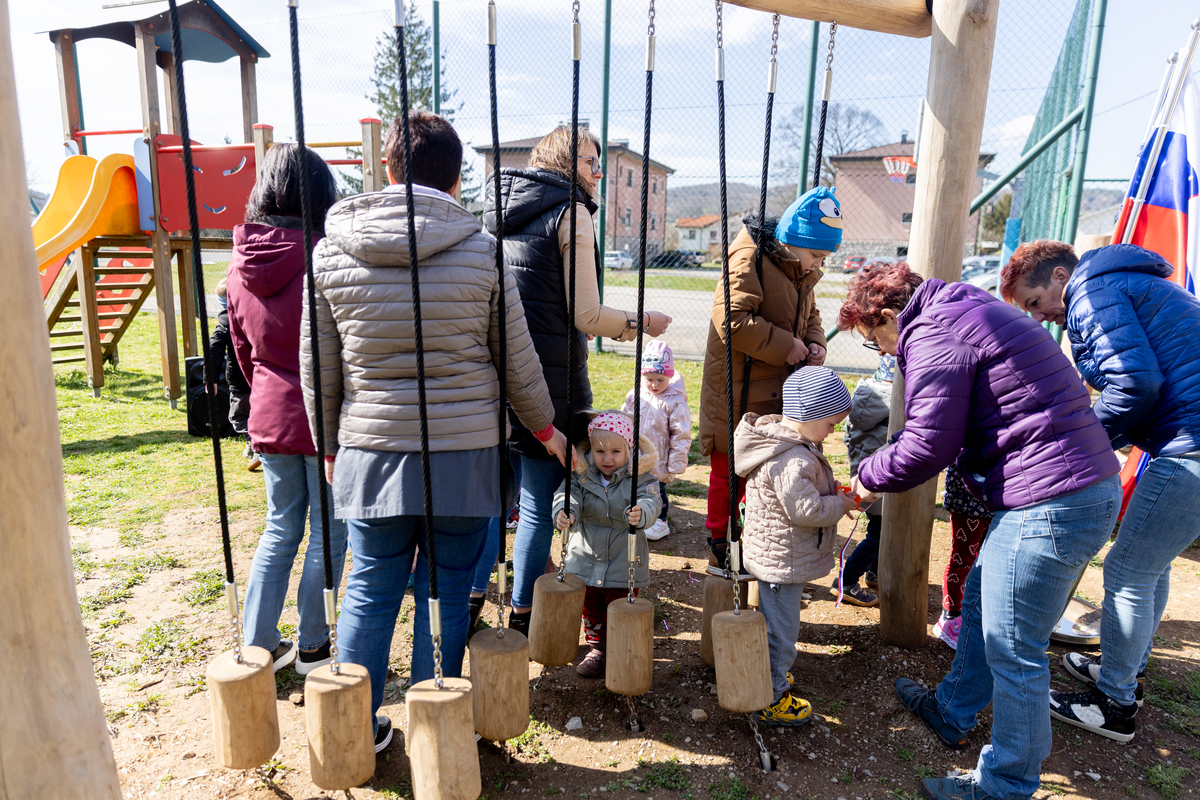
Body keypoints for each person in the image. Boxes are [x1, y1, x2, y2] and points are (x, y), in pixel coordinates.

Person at [301, 111, 569, 753]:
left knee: (370, 585)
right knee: (446, 588)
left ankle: (356, 730)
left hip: (370, 449)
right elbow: (517, 360)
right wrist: (546, 429)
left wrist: (329, 447)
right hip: (464, 453)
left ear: (387, 167)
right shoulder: (482, 251)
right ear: (455, 180)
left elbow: (319, 367)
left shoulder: (331, 251)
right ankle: (435, 725)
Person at [840, 261, 1120, 800]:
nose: (885, 353)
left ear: (889, 315)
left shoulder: (933, 330)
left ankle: (1006, 784)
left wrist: (868, 476)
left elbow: (928, 443)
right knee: (981, 605)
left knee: (1014, 649)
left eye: (877, 341)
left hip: (1052, 497)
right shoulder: (966, 308)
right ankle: (953, 708)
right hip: (1065, 487)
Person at [1001, 240, 1200, 743]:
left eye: (1035, 301)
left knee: (1128, 571)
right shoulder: (1127, 282)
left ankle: (1114, 703)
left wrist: (1081, 443)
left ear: (1060, 277)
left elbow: (1135, 383)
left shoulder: (1092, 291)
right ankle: (1125, 667)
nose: (1040, 316)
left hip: (1191, 446)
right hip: (1187, 440)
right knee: (1150, 566)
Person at [483, 126, 671, 635]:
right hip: (549, 378)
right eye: (590, 161)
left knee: (495, 502)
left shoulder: (499, 212)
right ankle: (523, 613)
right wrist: (641, 322)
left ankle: (477, 599)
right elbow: (586, 313)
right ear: (565, 163)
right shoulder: (572, 212)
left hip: (496, 375)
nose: (598, 173)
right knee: (538, 506)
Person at [226, 144, 348, 677]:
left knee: (280, 528)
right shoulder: (327, 257)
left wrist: (265, 395)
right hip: (324, 417)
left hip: (271, 414)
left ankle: (258, 644)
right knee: (329, 532)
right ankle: (314, 644)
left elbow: (241, 349)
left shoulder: (240, 265)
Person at [698, 187, 841, 567]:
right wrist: (784, 345)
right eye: (815, 255)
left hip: (776, 389)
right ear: (793, 240)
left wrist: (814, 342)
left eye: (823, 259)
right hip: (737, 389)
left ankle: (756, 540)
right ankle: (721, 543)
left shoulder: (798, 267)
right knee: (730, 468)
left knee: (766, 467)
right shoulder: (749, 257)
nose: (817, 264)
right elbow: (731, 319)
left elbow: (810, 314)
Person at [734, 367, 856, 726]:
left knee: (777, 623)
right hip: (781, 560)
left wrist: (833, 493)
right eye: (831, 424)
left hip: (777, 553)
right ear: (811, 414)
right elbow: (806, 511)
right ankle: (771, 696)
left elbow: (803, 495)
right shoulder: (793, 458)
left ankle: (772, 675)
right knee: (781, 631)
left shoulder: (787, 443)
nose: (832, 432)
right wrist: (840, 504)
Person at [553, 410, 661, 677]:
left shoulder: (639, 476)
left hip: (623, 558)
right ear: (591, 449)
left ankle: (622, 645)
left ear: (628, 449)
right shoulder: (581, 474)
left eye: (615, 452)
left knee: (620, 602)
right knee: (590, 605)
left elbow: (651, 500)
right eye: (600, 452)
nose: (608, 459)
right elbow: (567, 494)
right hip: (585, 555)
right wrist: (565, 510)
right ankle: (598, 649)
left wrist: (642, 512)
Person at [837, 351, 895, 607]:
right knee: (879, 536)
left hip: (862, 482)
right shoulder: (898, 408)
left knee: (877, 530)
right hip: (883, 488)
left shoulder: (864, 397)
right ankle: (846, 581)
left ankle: (874, 572)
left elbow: (850, 441)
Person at [621, 340, 691, 541]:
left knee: (656, 490)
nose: (654, 385)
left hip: (659, 459)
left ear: (669, 375)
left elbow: (681, 434)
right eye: (649, 379)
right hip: (635, 455)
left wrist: (675, 464)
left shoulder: (675, 401)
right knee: (632, 487)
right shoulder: (635, 395)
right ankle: (636, 517)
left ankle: (660, 521)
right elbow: (624, 420)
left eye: (660, 379)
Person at [936, 466, 993, 650]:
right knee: (961, 561)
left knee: (987, 563)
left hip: (996, 502)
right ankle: (951, 617)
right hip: (967, 501)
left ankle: (974, 615)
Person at [211, 277, 257, 470]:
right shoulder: (255, 314)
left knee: (239, 416)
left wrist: (211, 377)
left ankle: (256, 446)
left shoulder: (224, 322)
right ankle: (257, 446)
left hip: (239, 379)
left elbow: (214, 348)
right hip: (262, 375)